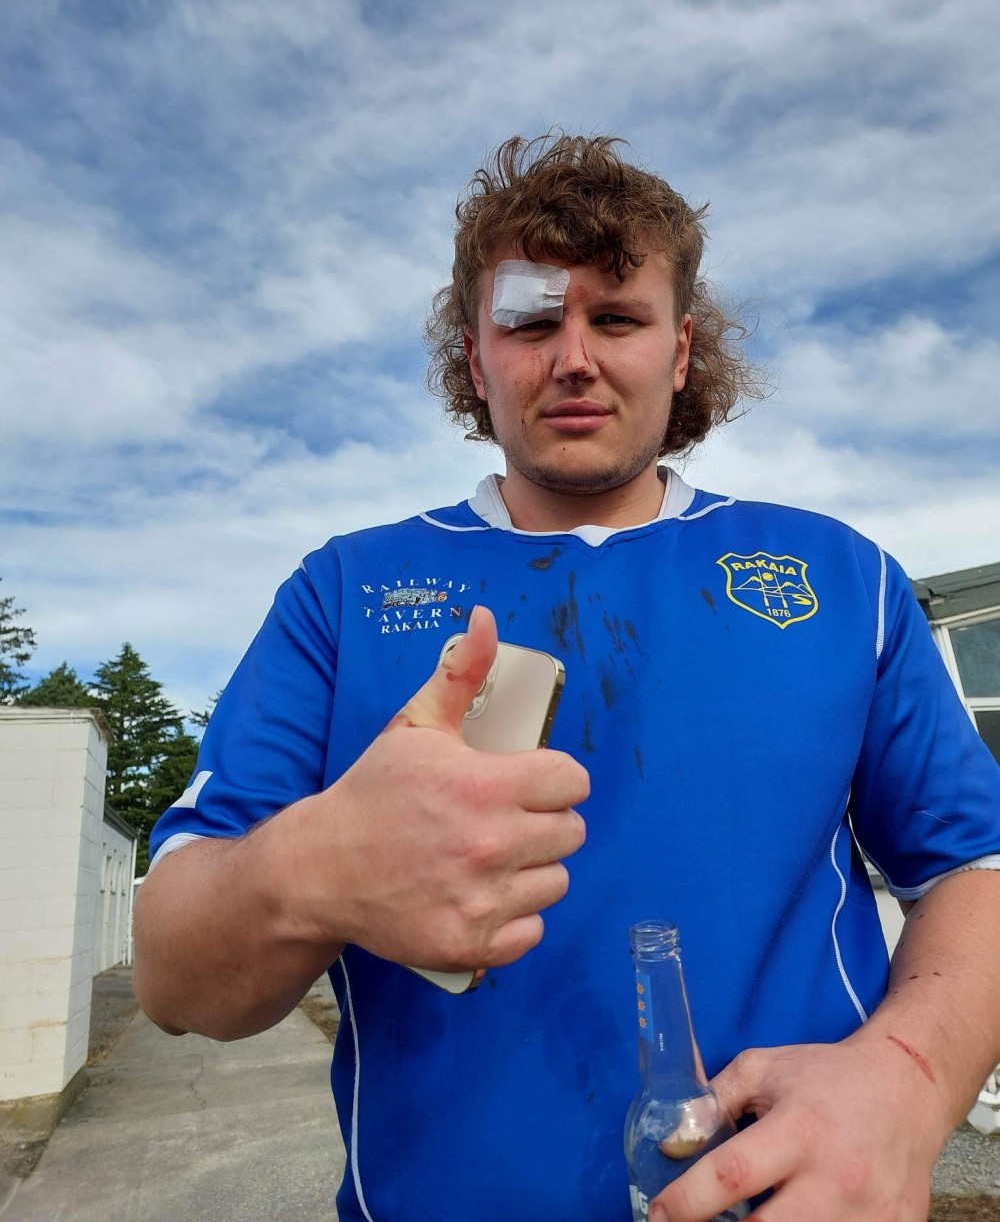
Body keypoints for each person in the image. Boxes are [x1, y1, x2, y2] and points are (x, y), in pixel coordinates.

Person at [134, 134, 1000, 1222]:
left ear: (681, 350)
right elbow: (171, 976)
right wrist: (310, 867)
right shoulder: (341, 593)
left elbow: (973, 866)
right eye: (532, 322)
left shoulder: (843, 580)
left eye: (619, 318)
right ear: (474, 356)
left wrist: (911, 1081)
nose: (575, 357)